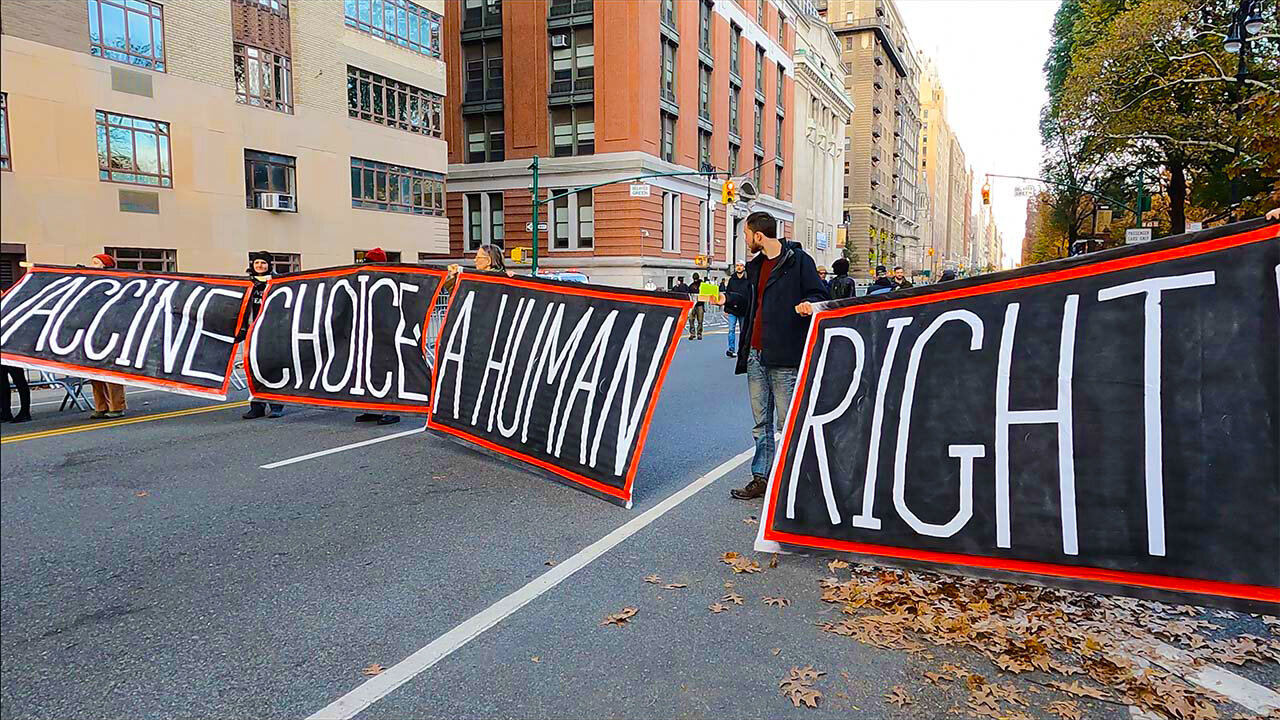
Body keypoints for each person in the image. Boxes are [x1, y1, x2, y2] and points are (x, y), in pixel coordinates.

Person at [715, 211, 829, 500]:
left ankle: (795, 481)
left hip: (785, 356)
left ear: (758, 235)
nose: (745, 241)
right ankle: (761, 478)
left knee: (787, 422)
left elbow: (821, 294)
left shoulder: (798, 261)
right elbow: (748, 304)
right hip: (755, 354)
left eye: (746, 236)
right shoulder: (755, 267)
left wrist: (809, 304)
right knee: (760, 423)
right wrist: (727, 299)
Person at [355, 247, 400, 426]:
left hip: (386, 331)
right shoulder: (363, 281)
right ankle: (372, 408)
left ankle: (392, 409)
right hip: (367, 330)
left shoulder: (391, 280)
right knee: (367, 370)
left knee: (387, 370)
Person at [241, 250, 285, 420]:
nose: (260, 266)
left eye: (263, 263)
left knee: (273, 367)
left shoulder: (278, 282)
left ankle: (276, 405)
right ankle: (256, 406)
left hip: (273, 331)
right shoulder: (246, 283)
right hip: (252, 331)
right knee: (253, 369)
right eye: (257, 263)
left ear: (269, 265)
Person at [87, 253, 128, 419]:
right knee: (93, 372)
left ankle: (117, 406)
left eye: (96, 263)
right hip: (92, 332)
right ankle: (100, 406)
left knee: (111, 372)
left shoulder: (117, 283)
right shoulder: (92, 284)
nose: (92, 266)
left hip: (110, 331)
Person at [723, 262, 748, 358]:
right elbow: (727, 293)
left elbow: (750, 294)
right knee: (731, 330)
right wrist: (726, 308)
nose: (739, 267)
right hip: (732, 309)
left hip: (744, 309)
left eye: (741, 266)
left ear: (744, 267)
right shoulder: (732, 280)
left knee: (743, 331)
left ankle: (742, 350)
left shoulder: (748, 280)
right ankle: (731, 349)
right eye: (737, 266)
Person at [687, 272, 705, 340]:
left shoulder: (702, 285)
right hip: (692, 305)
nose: (695, 280)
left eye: (696, 279)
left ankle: (699, 333)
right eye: (694, 279)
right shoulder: (691, 286)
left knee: (700, 320)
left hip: (700, 305)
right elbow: (688, 294)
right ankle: (692, 333)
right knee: (691, 319)